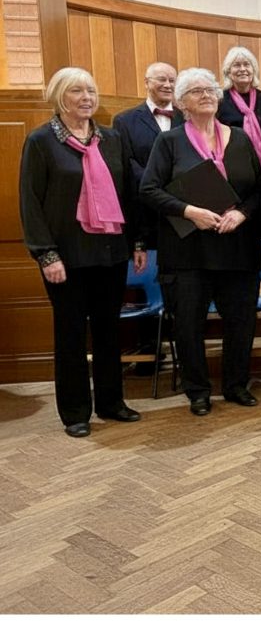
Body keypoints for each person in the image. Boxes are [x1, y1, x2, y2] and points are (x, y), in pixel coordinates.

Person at [19, 67, 146, 437]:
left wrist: (135, 242)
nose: (87, 97)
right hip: (66, 257)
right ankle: (75, 412)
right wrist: (46, 255)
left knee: (109, 331)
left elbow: (127, 194)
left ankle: (111, 403)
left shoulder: (111, 138)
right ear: (60, 97)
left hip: (110, 252)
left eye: (91, 90)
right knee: (71, 335)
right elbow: (31, 203)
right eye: (77, 91)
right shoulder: (41, 141)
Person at [141, 68, 261, 416]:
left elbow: (258, 190)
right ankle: (197, 391)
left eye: (210, 89)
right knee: (189, 324)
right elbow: (148, 190)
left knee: (241, 321)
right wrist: (189, 210)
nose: (206, 94)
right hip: (188, 251)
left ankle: (236, 385)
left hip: (237, 246)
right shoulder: (169, 142)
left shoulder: (239, 138)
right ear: (182, 103)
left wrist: (241, 213)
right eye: (196, 91)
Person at [113, 62, 183, 370]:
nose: (167, 84)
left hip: (184, 213)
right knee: (146, 281)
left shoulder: (186, 115)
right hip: (145, 214)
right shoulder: (125, 120)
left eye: (172, 79)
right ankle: (148, 352)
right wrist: (157, 187)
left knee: (181, 284)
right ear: (147, 82)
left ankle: (183, 349)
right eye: (162, 79)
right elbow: (126, 164)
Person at [216, 46, 261, 168]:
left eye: (247, 65)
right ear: (228, 71)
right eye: (237, 65)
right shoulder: (220, 100)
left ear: (253, 70)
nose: (242, 69)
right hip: (232, 165)